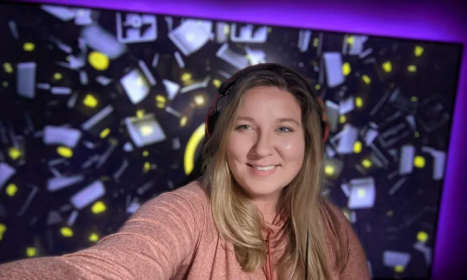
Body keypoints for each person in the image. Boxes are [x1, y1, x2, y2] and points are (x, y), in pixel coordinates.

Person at [0, 63, 370, 280]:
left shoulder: (332, 226)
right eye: (244, 127)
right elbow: (101, 271)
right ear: (220, 136)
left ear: (311, 142)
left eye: (284, 129)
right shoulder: (184, 212)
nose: (262, 148)